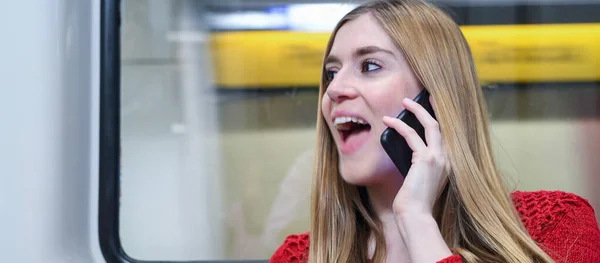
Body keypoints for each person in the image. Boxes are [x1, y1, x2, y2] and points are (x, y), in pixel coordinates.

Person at [268, 0, 600, 262]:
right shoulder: (297, 258)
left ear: (435, 101)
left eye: (370, 66)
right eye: (331, 73)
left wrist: (416, 220)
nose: (334, 90)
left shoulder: (554, 229)